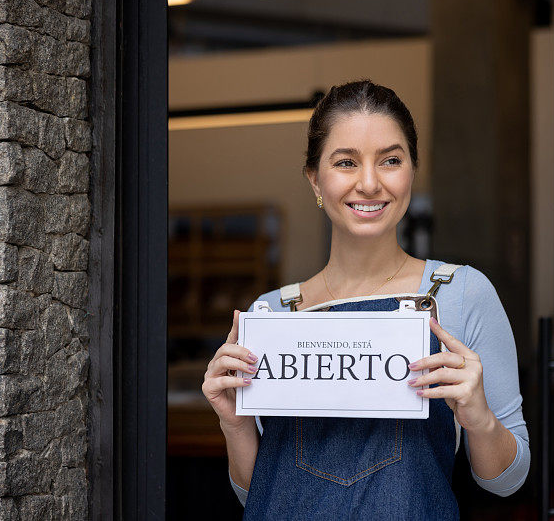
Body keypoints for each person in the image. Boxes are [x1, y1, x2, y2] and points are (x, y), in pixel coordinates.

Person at [201, 79, 530, 519]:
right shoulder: (272, 314)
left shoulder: (461, 293)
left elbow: (508, 480)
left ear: (412, 169)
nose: (370, 183)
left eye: (391, 160)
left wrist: (479, 417)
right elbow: (257, 493)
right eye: (346, 163)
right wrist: (234, 423)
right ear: (315, 179)